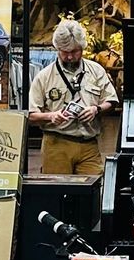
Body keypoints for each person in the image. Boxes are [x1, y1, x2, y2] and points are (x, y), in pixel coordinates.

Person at [28, 18, 119, 177]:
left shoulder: (96, 71)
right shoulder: (44, 76)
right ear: (57, 49)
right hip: (56, 145)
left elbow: (111, 101)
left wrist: (95, 110)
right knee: (57, 195)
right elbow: (30, 115)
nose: (70, 57)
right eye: (65, 52)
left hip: (89, 146)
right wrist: (51, 116)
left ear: (82, 48)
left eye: (75, 51)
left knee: (93, 191)